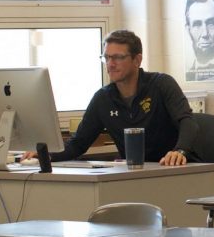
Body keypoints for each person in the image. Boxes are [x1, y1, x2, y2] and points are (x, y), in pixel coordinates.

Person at [37, 30, 197, 166]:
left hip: (174, 167)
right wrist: (44, 155)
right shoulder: (103, 98)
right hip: (133, 175)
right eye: (106, 58)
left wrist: (179, 151)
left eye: (118, 58)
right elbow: (78, 144)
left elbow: (187, 121)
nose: (110, 64)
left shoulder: (161, 84)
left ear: (137, 60)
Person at [185, 0, 214, 81]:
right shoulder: (187, 76)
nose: (205, 33)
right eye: (197, 24)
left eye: (210, 23)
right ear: (188, 30)